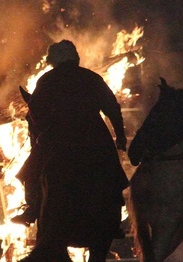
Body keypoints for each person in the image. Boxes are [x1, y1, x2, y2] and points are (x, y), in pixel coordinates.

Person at [11, 40, 129, 226]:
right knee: (111, 171)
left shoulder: (47, 80)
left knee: (30, 171)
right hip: (94, 136)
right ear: (75, 58)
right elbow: (112, 108)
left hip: (59, 138)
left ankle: (32, 210)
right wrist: (120, 137)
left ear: (53, 60)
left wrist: (42, 134)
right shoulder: (92, 78)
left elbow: (35, 110)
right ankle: (114, 217)